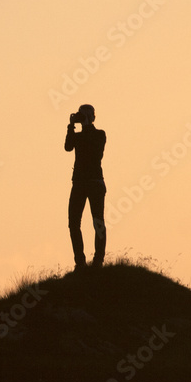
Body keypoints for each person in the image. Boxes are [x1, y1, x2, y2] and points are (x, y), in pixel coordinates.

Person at [64, 104, 107, 269]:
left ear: (93, 117)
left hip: (95, 182)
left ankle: (98, 260)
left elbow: (97, 152)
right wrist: (71, 126)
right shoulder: (78, 136)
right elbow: (68, 147)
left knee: (98, 222)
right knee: (73, 223)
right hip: (79, 183)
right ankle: (80, 262)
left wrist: (87, 125)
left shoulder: (99, 134)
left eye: (87, 115)